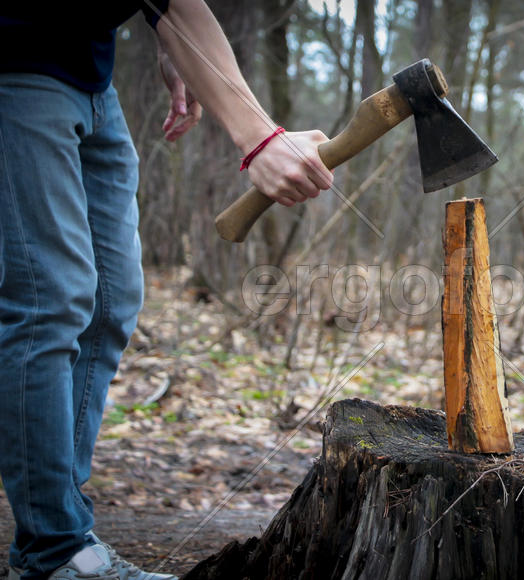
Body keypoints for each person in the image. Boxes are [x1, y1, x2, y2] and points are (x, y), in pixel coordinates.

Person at [0, 2, 333, 579]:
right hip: (18, 63)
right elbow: (180, 3)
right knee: (48, 300)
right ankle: (54, 548)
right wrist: (258, 138)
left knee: (110, 300)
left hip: (91, 74)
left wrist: (164, 42)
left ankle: (59, 527)